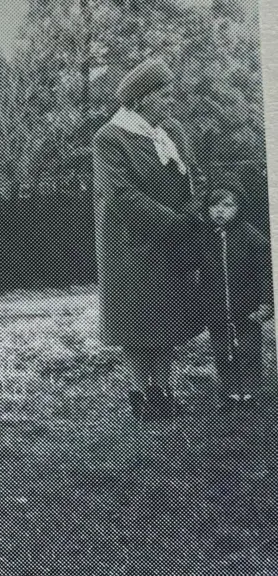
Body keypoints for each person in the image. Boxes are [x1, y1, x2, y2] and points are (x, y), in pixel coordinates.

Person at [92, 58, 201, 421]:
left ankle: (165, 391)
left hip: (171, 241)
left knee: (168, 319)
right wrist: (173, 222)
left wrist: (192, 211)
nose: (171, 100)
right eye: (164, 94)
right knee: (137, 325)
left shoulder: (172, 131)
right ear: (141, 98)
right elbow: (121, 195)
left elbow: (194, 177)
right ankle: (142, 396)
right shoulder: (110, 138)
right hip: (130, 247)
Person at [195, 174, 273, 411]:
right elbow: (194, 270)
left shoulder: (251, 237)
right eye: (214, 205)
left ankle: (249, 393)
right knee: (222, 350)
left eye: (228, 205)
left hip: (247, 309)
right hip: (216, 309)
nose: (220, 211)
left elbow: (265, 272)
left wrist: (267, 302)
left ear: (239, 207)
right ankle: (229, 393)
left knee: (248, 349)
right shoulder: (204, 237)